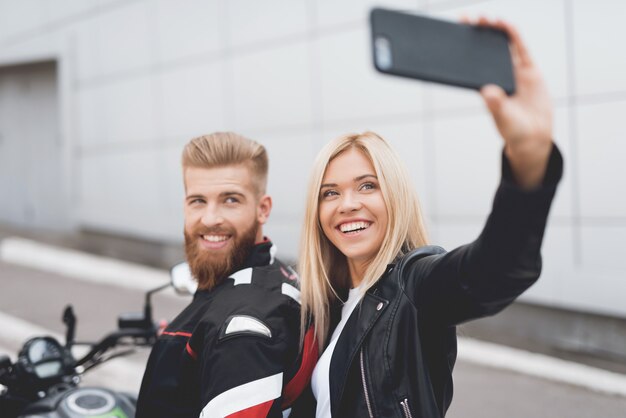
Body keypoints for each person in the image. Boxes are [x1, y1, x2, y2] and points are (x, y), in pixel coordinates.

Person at [295, 18, 563, 417]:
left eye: (368, 186)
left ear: (396, 196)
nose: (347, 204)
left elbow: (493, 272)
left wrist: (528, 157)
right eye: (329, 193)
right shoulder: (326, 303)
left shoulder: (414, 283)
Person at [136, 132, 317, 418]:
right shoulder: (264, 276)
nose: (210, 218)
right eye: (197, 200)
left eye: (230, 200)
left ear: (263, 209)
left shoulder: (244, 329)